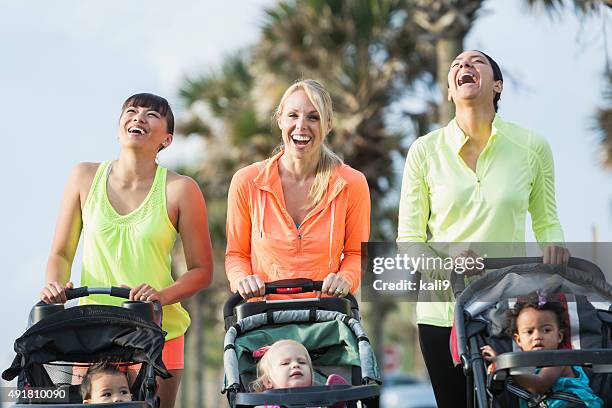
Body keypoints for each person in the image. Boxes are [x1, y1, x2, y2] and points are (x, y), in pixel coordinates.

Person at [397, 50, 570, 407]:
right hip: (441, 311)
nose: (464, 65)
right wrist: (448, 265)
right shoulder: (424, 151)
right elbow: (409, 241)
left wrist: (555, 247)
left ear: (497, 85)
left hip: (508, 311)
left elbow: (547, 220)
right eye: (456, 64)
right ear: (449, 90)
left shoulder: (532, 147)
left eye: (476, 61)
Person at [40, 93, 214, 408]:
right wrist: (55, 284)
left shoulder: (181, 189)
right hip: (93, 331)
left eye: (152, 114)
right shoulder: (83, 176)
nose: (138, 117)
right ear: (119, 127)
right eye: (131, 111)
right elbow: (61, 253)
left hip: (159, 332)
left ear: (167, 139)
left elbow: (202, 271)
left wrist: (161, 295)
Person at [225, 79, 370, 299]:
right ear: (280, 120)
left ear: (328, 125)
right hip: (263, 316)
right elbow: (236, 254)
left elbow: (356, 254)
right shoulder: (246, 181)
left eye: (313, 117)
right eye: (293, 115)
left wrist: (346, 278)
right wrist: (242, 279)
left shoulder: (352, 183)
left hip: (325, 316)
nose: (301, 125)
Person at [481, 294, 603, 407]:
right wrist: (499, 363)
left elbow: (540, 385)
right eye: (529, 332)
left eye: (546, 330)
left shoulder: (559, 359)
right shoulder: (521, 367)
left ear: (559, 336)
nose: (537, 336)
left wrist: (505, 365)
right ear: (518, 340)